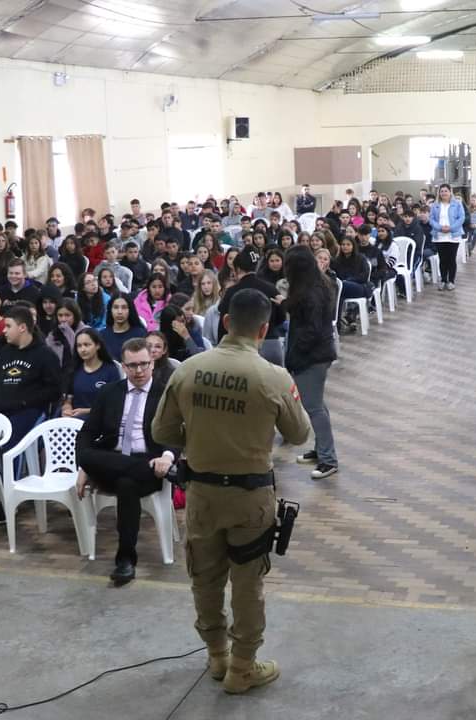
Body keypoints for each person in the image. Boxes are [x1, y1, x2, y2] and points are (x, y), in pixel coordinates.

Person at [152, 288, 311, 693]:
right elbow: (299, 432)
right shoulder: (273, 376)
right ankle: (243, 666)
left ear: (224, 323)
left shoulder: (188, 369)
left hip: (202, 493)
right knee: (247, 581)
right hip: (251, 498)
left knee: (204, 577)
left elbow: (161, 432)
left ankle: (217, 655)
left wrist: (201, 436)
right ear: (263, 330)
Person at [75, 338, 176, 585]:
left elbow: (179, 433)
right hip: (114, 459)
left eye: (143, 364)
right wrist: (84, 466)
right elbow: (87, 433)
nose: (139, 371)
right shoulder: (110, 392)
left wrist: (167, 456)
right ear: (123, 366)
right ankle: (144, 469)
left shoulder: (165, 393)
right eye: (132, 366)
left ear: (153, 363)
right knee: (87, 454)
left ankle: (125, 560)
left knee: (127, 484)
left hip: (148, 461)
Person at [0, 305, 62, 523]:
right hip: (0, 411)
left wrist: (23, 401)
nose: (3, 331)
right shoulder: (3, 354)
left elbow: (54, 390)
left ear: (22, 327)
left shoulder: (44, 355)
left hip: (31, 411)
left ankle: (8, 498)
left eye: (8, 326)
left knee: (12, 443)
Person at [281, 246, 339, 479]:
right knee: (317, 405)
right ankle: (322, 448)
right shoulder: (314, 285)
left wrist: (295, 355)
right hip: (315, 353)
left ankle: (328, 459)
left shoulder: (313, 291)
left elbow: (312, 330)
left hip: (313, 356)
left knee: (314, 408)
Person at [61, 328, 121, 421]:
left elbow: (113, 404)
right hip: (73, 419)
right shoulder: (74, 369)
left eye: (87, 345)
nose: (83, 349)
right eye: (79, 346)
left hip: (100, 420)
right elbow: (69, 397)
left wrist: (86, 411)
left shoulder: (110, 370)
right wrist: (67, 408)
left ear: (97, 345)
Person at [429, 183, 465, 290]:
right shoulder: (435, 205)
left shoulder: (457, 204)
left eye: (446, 191)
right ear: (439, 193)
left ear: (450, 192)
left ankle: (451, 281)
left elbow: (461, 218)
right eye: (442, 191)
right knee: (442, 259)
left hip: (453, 235)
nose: (444, 193)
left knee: (451, 259)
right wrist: (440, 228)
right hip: (439, 235)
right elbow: (431, 219)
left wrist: (450, 228)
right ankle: (443, 280)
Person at [102, 295, 149, 361]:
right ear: (110, 310)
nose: (119, 312)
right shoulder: (102, 335)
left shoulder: (141, 334)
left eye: (124, 308)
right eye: (116, 307)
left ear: (130, 310)